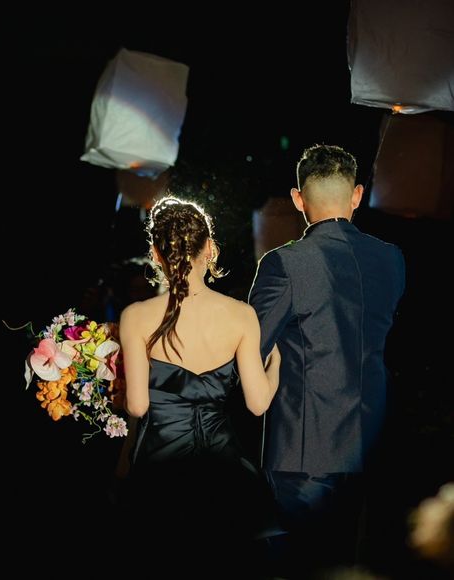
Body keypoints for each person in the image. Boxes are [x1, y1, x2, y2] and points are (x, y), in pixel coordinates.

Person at [248, 144, 406, 576]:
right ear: (357, 195)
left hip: (303, 448)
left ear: (298, 199)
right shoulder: (392, 259)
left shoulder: (284, 264)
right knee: (346, 566)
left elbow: (251, 348)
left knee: (294, 566)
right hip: (371, 445)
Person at [118, 196, 283, 563]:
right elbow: (258, 404)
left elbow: (138, 407)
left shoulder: (136, 316)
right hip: (221, 469)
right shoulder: (241, 315)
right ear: (209, 248)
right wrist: (276, 364)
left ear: (155, 254)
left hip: (159, 470)